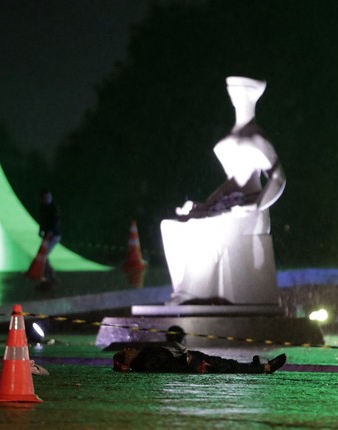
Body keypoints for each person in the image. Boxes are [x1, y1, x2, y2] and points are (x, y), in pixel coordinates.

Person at [160, 76, 285, 305]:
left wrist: (254, 205)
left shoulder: (257, 137)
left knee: (206, 229)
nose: (234, 95)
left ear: (251, 95)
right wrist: (203, 205)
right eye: (231, 91)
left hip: (249, 211)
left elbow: (278, 178)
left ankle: (193, 294)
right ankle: (187, 290)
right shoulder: (230, 137)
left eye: (239, 91)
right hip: (228, 205)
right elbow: (230, 183)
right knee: (171, 228)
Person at [112, 326, 287, 374]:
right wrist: (192, 368)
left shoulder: (145, 355)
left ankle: (253, 367)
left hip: (191, 358)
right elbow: (167, 369)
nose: (127, 348)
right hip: (192, 363)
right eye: (123, 352)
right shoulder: (144, 361)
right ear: (126, 362)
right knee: (227, 367)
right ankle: (265, 368)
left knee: (227, 364)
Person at [38, 189, 61, 282]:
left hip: (54, 235)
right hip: (48, 235)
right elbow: (42, 221)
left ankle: (51, 276)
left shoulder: (53, 208)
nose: (48, 199)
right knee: (43, 256)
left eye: (49, 197)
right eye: (46, 197)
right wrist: (41, 230)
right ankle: (48, 276)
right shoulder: (43, 207)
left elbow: (55, 222)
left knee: (44, 256)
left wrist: (51, 231)